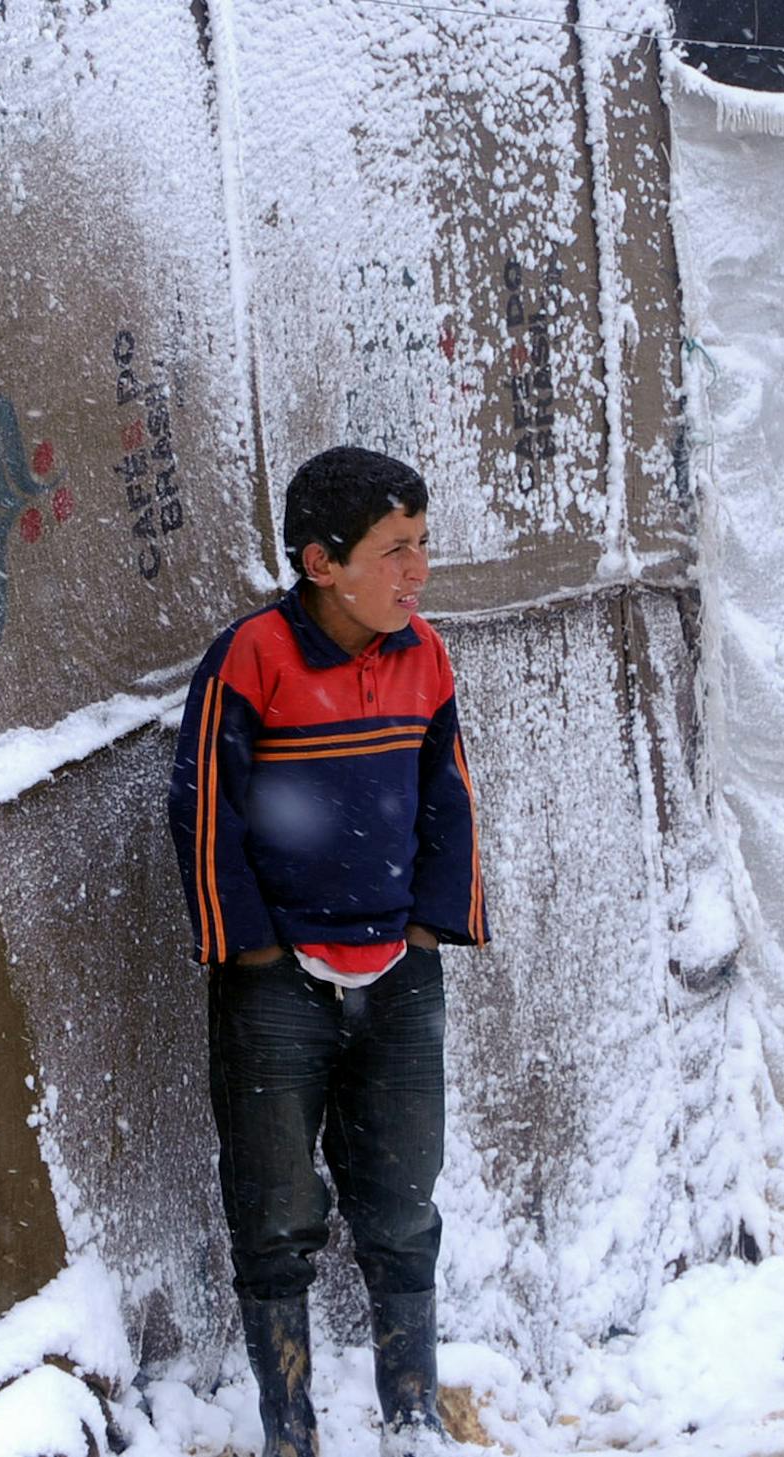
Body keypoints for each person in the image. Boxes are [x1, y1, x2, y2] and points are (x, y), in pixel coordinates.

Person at [167, 446, 487, 1457]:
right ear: (321, 562)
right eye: (395, 550)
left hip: (397, 974)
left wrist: (431, 926)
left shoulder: (424, 656)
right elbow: (201, 807)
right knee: (275, 1211)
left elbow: (449, 794)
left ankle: (412, 1418)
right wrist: (251, 953)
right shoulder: (252, 658)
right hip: (279, 987)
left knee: (401, 1201)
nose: (416, 570)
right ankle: (289, 1426)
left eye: (422, 545)